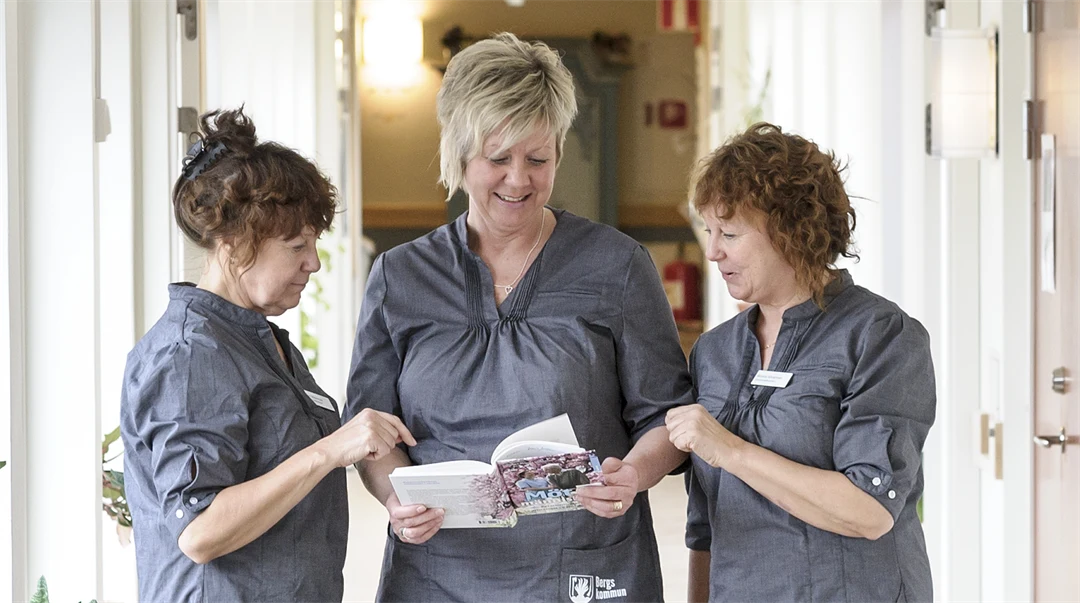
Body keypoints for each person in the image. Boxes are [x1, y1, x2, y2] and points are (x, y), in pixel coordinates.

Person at [346, 32, 694, 601]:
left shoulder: (617, 265)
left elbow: (667, 419)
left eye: (538, 158)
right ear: (459, 155)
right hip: (439, 570)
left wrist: (634, 473)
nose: (519, 179)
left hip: (579, 563)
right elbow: (372, 427)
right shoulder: (401, 276)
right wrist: (394, 501)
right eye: (497, 158)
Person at [120, 108, 414, 603]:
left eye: (314, 243)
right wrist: (328, 450)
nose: (314, 262)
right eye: (296, 245)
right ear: (234, 244)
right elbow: (200, 531)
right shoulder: (189, 355)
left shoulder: (262, 341)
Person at [666, 122, 936, 602]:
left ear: (792, 233)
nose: (713, 251)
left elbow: (869, 510)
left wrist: (730, 450)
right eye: (710, 231)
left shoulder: (881, 337)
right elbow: (705, 526)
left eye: (729, 232)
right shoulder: (714, 352)